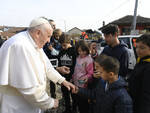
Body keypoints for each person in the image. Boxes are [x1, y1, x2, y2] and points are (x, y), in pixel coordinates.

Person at [0, 17, 75, 113]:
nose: (49, 41)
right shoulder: (20, 46)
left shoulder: (33, 43)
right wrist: (50, 103)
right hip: (18, 105)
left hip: (30, 104)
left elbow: (47, 66)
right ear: (38, 33)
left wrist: (62, 81)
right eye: (48, 36)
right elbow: (30, 88)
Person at [128, 34, 150, 113]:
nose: (137, 50)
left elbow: (146, 94)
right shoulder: (141, 61)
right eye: (136, 47)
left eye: (142, 48)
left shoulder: (148, 66)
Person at [72, 40, 94, 113]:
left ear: (87, 50)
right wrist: (72, 77)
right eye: (79, 51)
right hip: (76, 84)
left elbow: (90, 73)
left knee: (84, 105)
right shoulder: (77, 58)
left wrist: (86, 78)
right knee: (77, 102)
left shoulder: (89, 60)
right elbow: (76, 70)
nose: (81, 53)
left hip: (84, 86)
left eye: (83, 51)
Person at [58, 33, 77, 113]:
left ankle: (74, 110)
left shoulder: (74, 51)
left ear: (69, 42)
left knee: (74, 96)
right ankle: (68, 109)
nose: (63, 47)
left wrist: (73, 77)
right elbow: (59, 65)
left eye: (64, 45)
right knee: (65, 96)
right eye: (61, 45)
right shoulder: (61, 52)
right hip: (64, 79)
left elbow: (76, 66)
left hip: (72, 79)